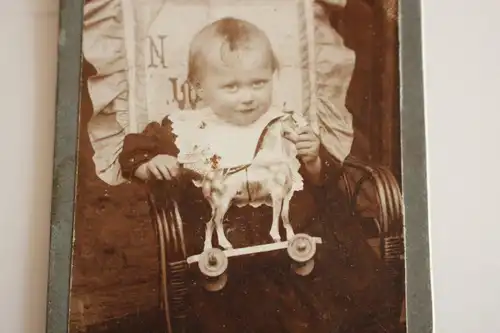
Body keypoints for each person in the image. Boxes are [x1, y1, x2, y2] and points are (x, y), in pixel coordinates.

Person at [119, 16, 400, 333]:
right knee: (249, 312)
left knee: (342, 293)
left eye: (258, 83)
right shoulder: (185, 128)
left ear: (272, 77)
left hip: (299, 242)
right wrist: (150, 162)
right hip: (232, 258)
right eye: (231, 86)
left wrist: (312, 159)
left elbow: (326, 181)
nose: (248, 96)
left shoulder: (284, 122)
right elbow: (132, 151)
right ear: (198, 87)